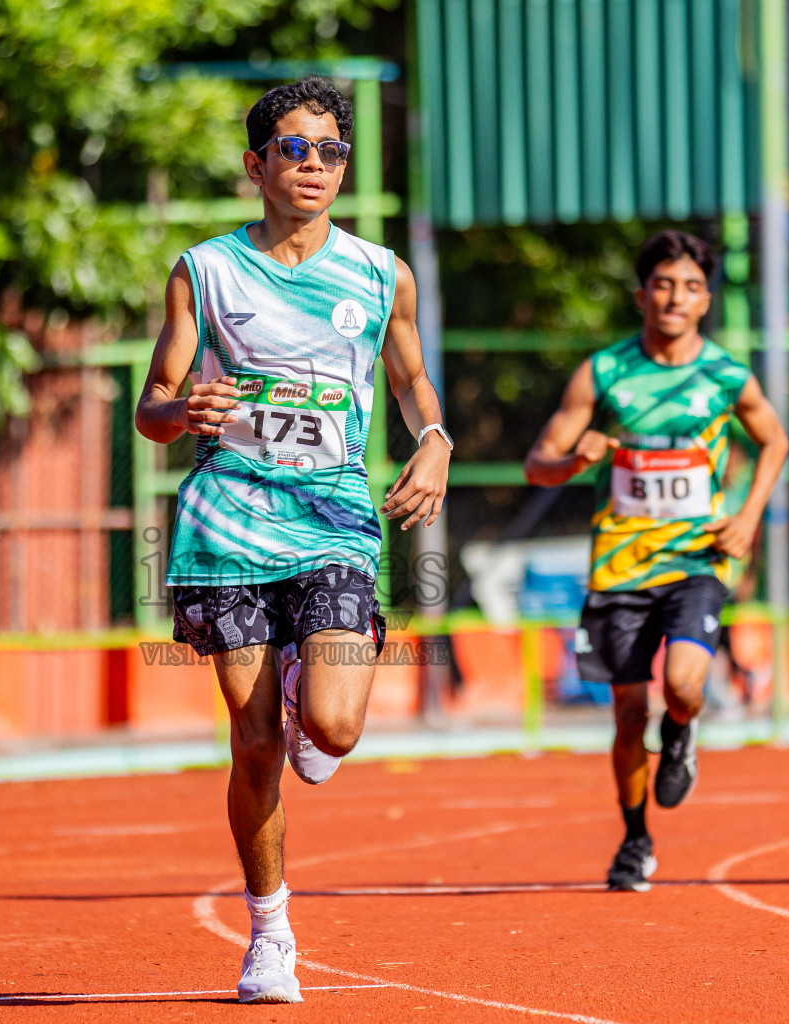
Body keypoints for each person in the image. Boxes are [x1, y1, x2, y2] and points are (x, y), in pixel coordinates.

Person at [135, 76, 450, 1002]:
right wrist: (178, 409)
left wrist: (434, 440)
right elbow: (154, 406)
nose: (316, 166)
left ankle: (319, 683)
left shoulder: (380, 271)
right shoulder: (205, 270)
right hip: (226, 521)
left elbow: (412, 380)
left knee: (333, 726)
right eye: (296, 149)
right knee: (255, 742)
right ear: (256, 164)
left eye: (333, 152)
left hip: (333, 517)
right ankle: (269, 930)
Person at [523, 230, 788, 892]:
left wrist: (749, 516)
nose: (676, 298)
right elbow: (538, 467)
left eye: (692, 287)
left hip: (698, 558)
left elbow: (774, 440)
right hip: (619, 567)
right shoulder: (604, 372)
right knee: (624, 715)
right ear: (643, 295)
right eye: (664, 285)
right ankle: (635, 837)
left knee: (685, 685)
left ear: (705, 302)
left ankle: (682, 733)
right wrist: (575, 460)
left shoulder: (726, 375)